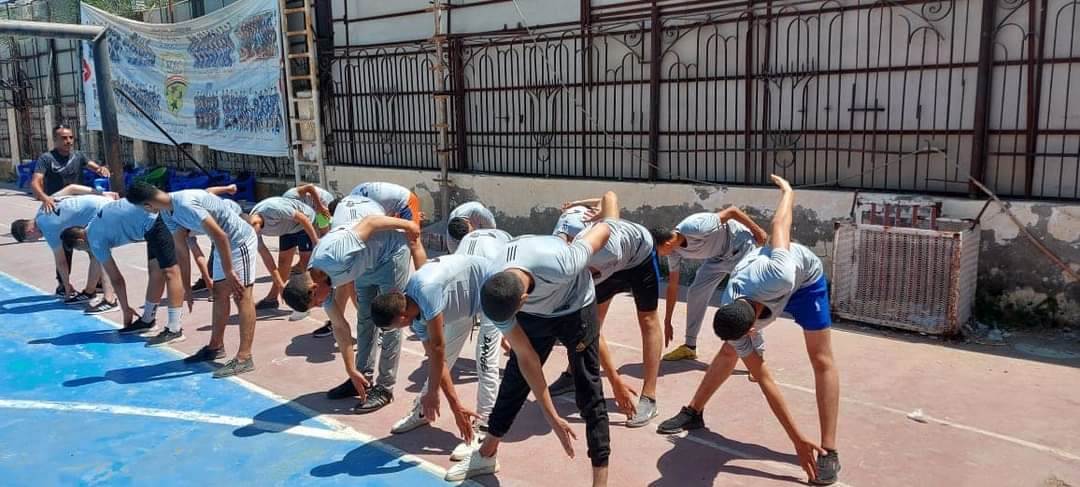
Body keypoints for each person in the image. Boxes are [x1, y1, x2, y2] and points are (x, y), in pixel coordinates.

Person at [655, 175, 841, 485]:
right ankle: (694, 411)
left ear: (754, 329)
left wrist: (788, 192)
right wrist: (796, 438)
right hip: (755, 293)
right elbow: (765, 379)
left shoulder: (778, 273)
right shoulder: (732, 301)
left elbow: (780, 225)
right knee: (728, 352)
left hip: (806, 280)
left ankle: (829, 450)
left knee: (821, 359)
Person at [446, 204, 617, 486]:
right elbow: (528, 359)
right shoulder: (495, 287)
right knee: (514, 379)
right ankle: (486, 454)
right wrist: (552, 416)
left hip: (576, 308)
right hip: (537, 314)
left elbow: (605, 229)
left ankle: (600, 480)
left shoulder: (563, 262)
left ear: (522, 301)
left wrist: (607, 205)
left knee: (589, 388)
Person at [281, 194, 427, 414]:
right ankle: (361, 377)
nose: (321, 305)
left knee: (391, 320)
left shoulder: (334, 256)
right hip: (365, 266)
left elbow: (371, 222)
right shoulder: (320, 283)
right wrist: (350, 369)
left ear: (313, 288)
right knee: (365, 319)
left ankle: (385, 388)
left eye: (316, 303)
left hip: (390, 254)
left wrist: (409, 225)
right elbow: (340, 327)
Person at [547, 191, 663, 428]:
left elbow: (610, 195)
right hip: (603, 269)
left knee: (648, 320)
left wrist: (603, 211)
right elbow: (591, 330)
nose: (565, 242)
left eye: (569, 239)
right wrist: (614, 379)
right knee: (591, 322)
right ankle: (572, 375)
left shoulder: (608, 244)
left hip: (638, 258)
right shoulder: (565, 262)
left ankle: (649, 396)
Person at [371, 253, 503, 461]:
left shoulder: (426, 291)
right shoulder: (414, 317)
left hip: (491, 289)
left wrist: (438, 395)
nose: (396, 330)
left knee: (485, 362)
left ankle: (484, 427)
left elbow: (438, 347)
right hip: (464, 305)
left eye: (392, 327)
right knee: (441, 360)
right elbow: (436, 358)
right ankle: (425, 408)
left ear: (401, 317)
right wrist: (454, 405)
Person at [126, 182, 259, 378]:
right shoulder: (167, 213)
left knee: (242, 296)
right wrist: (186, 287)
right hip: (222, 245)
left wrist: (229, 271)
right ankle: (215, 347)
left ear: (147, 205)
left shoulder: (186, 203)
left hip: (240, 242)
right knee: (219, 293)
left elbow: (220, 234)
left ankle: (244, 357)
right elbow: (181, 249)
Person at [60, 199, 187, 337]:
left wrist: (126, 309)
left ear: (80, 241)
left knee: (170, 272)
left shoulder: (95, 241)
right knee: (155, 271)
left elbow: (117, 280)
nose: (85, 251)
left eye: (80, 249)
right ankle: (147, 320)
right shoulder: (92, 224)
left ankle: (174, 329)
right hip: (150, 221)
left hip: (156, 218)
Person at [655, 208, 767, 362]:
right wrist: (667, 321)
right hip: (717, 258)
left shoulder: (695, 226)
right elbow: (672, 286)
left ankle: (757, 354)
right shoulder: (673, 252)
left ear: (667, 243)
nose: (658, 255)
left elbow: (732, 212)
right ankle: (690, 347)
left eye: (657, 251)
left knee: (746, 299)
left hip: (740, 247)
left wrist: (758, 231)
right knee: (696, 292)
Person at [10, 187, 118, 313]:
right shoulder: (43, 208)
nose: (36, 240)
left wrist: (67, 288)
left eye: (31, 240)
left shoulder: (47, 227)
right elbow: (71, 188)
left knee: (100, 254)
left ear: (30, 232)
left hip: (105, 213)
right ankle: (89, 292)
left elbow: (61, 262)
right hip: (105, 203)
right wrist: (103, 193)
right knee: (94, 253)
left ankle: (110, 300)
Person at [30, 128, 110, 296]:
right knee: (63, 251)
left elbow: (94, 167)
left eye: (71, 137)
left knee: (91, 245)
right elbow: (35, 182)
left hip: (79, 211)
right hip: (58, 212)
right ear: (55, 139)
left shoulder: (78, 156)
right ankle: (63, 285)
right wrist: (44, 198)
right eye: (64, 138)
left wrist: (101, 169)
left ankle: (98, 283)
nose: (69, 141)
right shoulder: (46, 159)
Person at [248, 196, 320, 320]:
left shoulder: (272, 209)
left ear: (255, 224)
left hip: (305, 222)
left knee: (305, 264)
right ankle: (272, 299)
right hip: (288, 229)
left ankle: (307, 302)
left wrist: (315, 242)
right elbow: (267, 259)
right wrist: (281, 285)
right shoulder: (251, 231)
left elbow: (302, 218)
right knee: (283, 262)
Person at [350, 182, 423, 224]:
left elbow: (382, 223)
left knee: (413, 239)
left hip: (407, 199)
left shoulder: (364, 209)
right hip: (399, 197)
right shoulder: (354, 197)